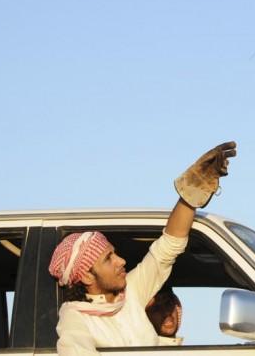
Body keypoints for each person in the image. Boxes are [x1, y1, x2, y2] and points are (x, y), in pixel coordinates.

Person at [48, 142, 236, 355]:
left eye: (115, 253)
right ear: (87, 277)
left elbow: (166, 249)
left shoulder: (131, 292)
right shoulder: (75, 317)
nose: (121, 261)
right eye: (108, 258)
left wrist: (191, 195)